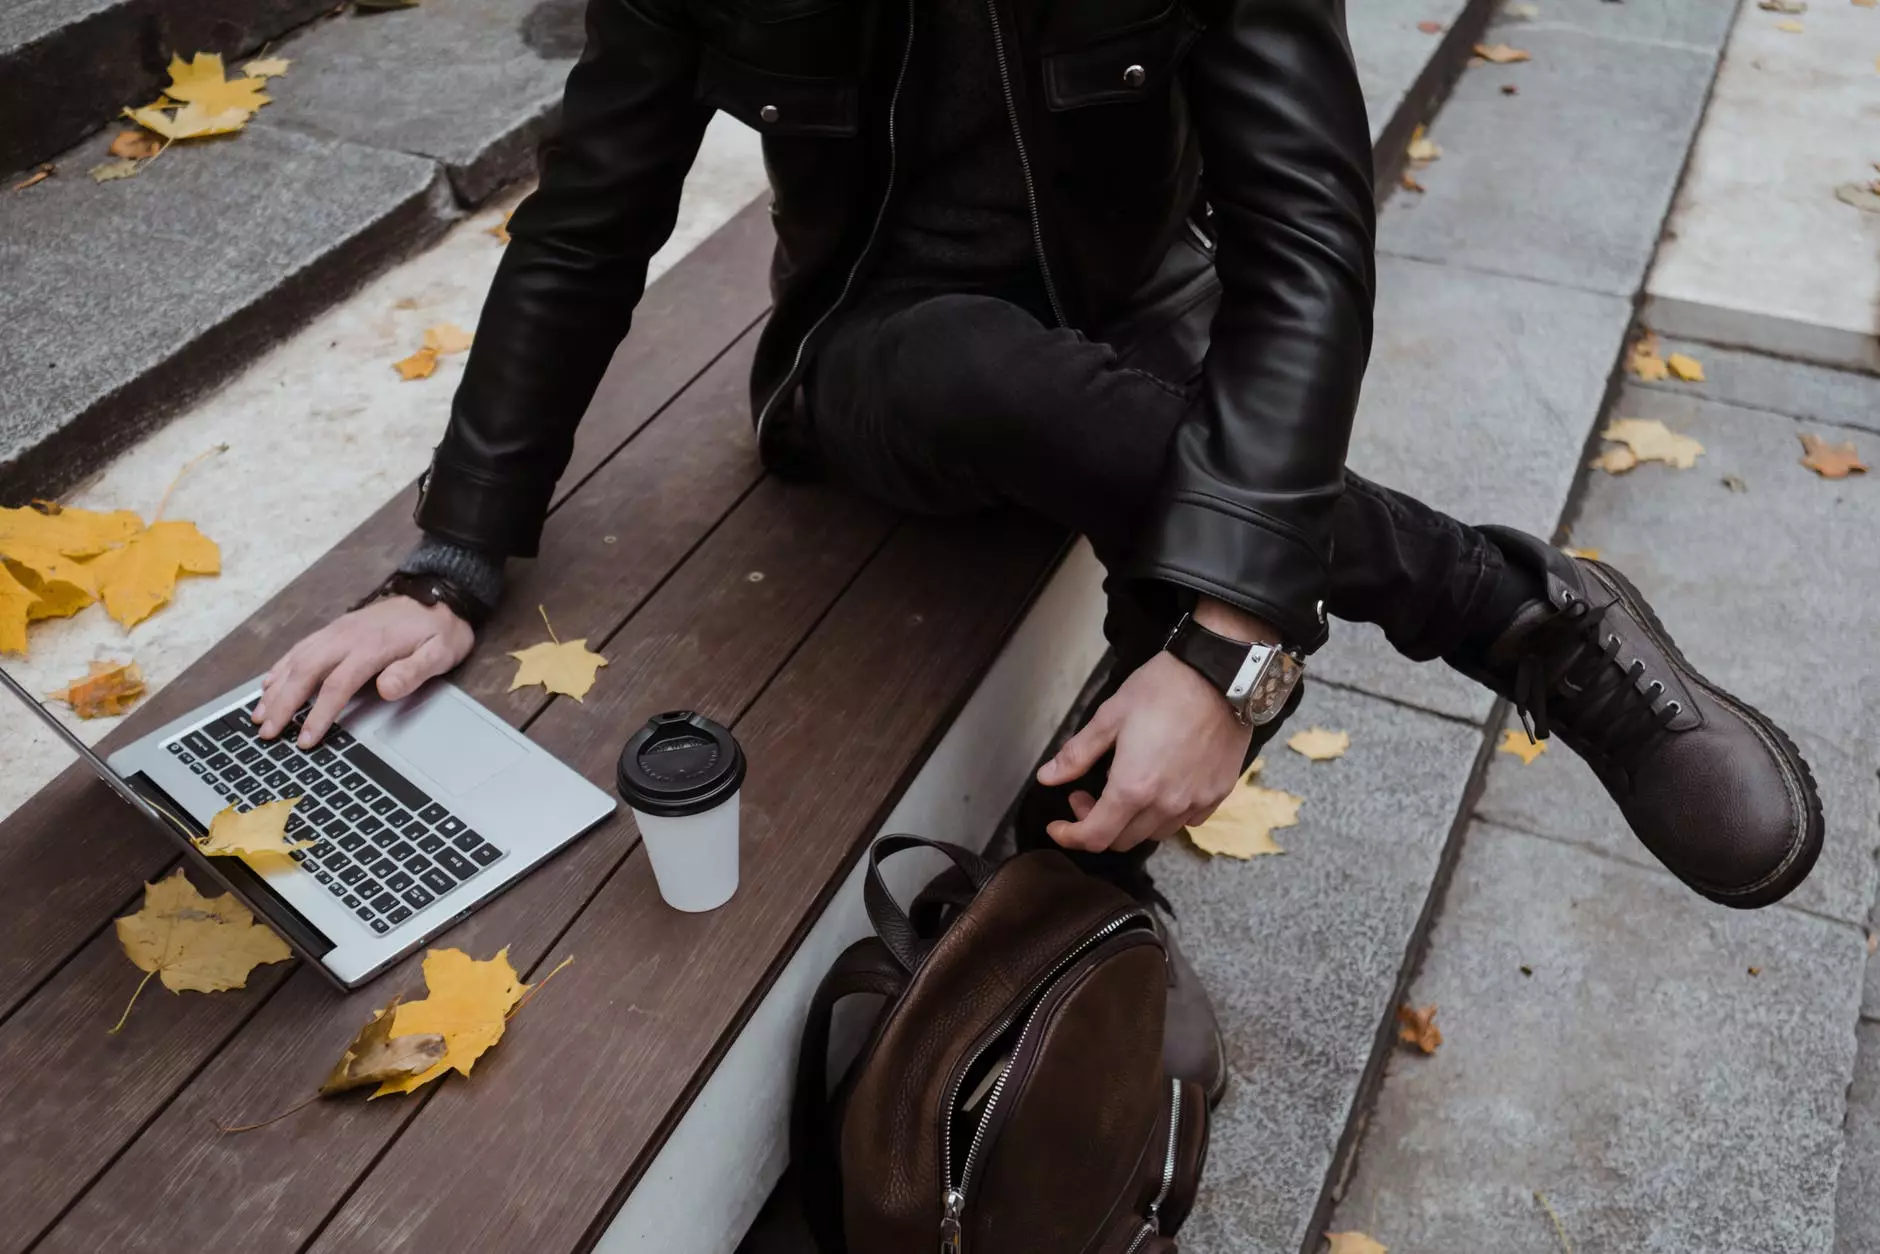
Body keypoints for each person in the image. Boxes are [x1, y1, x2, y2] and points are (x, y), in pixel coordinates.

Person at [252, 0, 1822, 1103]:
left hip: (1150, 312)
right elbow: (589, 217)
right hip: (873, 357)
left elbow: (1305, 242)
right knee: (1015, 388)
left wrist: (1214, 641)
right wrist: (454, 554)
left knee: (1171, 558)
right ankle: (1496, 604)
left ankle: (1069, 961)